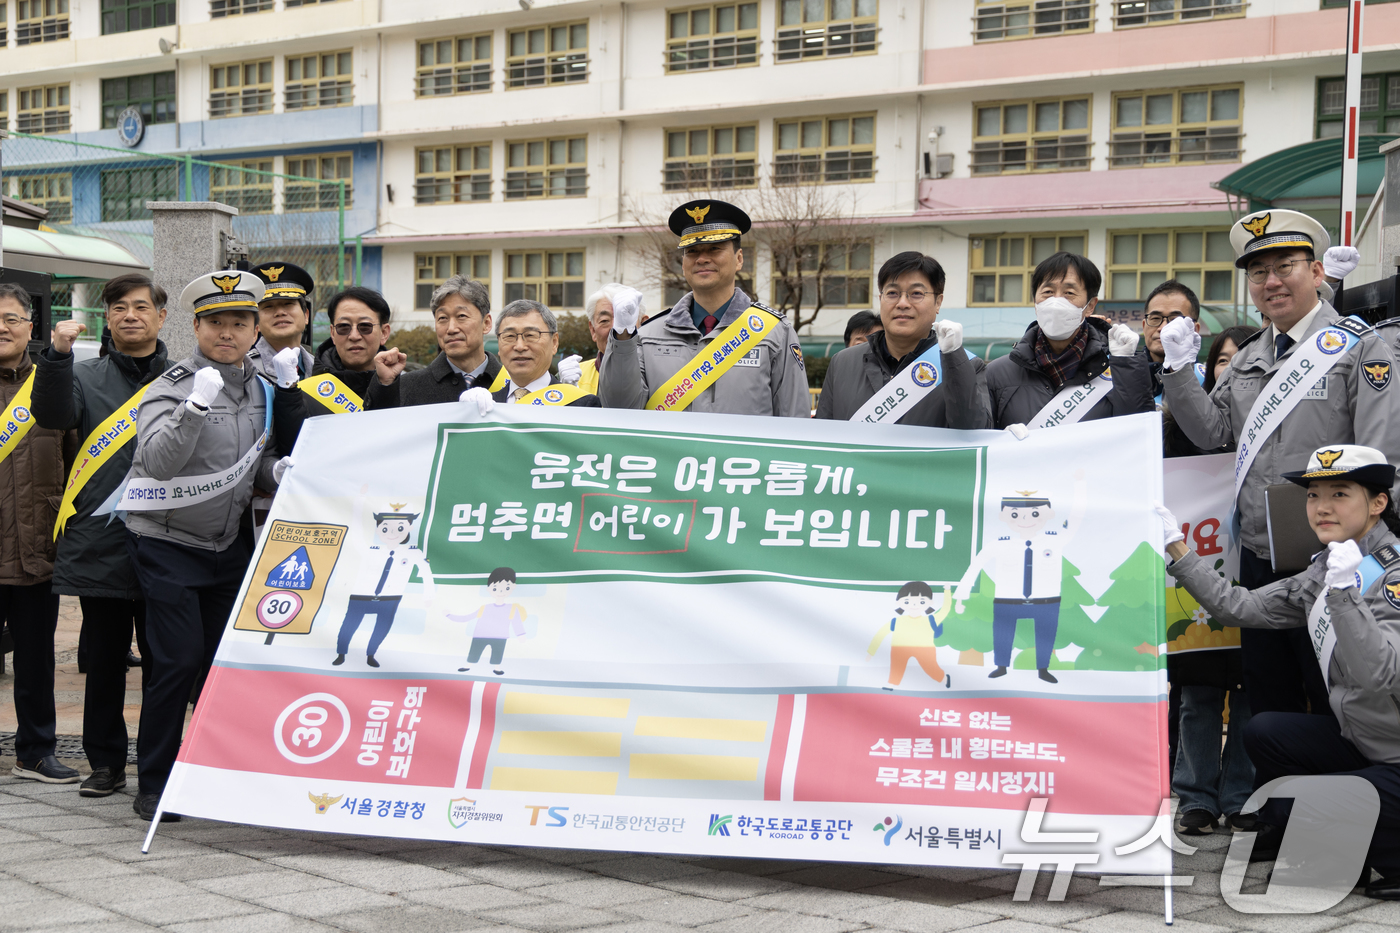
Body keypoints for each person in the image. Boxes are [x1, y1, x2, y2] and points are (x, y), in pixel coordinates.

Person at [1159, 209, 1400, 721]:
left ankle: (1342, 798)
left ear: (1316, 273)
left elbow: (1385, 457)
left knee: (1339, 692)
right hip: (1258, 551)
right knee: (1268, 691)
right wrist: (1178, 371)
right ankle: (1276, 800)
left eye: (1285, 266)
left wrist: (1367, 548)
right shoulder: (1247, 358)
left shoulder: (1360, 348)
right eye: (1257, 272)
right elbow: (1212, 432)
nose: (1271, 282)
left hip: (1338, 555)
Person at [1158, 445, 1400, 892]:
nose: (1322, 507)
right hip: (1366, 742)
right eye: (1313, 495)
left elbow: (1378, 674)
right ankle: (1358, 851)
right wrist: (1177, 548)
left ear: (1378, 503)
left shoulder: (1390, 574)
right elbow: (1243, 606)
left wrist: (1345, 594)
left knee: (1302, 803)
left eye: (1340, 494)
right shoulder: (1329, 565)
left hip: (1395, 752)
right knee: (1266, 732)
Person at [121, 271, 298, 821]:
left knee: (225, 665)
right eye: (216, 322)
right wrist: (194, 409)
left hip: (228, 544)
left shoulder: (264, 387)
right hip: (168, 541)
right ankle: (155, 781)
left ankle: (217, 771)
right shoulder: (172, 385)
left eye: (240, 322)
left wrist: (279, 470)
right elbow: (157, 463)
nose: (228, 332)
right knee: (176, 660)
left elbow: (253, 466)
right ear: (196, 326)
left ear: (254, 328)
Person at [32, 274, 170, 796]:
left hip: (171, 539)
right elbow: (51, 415)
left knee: (166, 663)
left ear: (161, 317)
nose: (130, 315)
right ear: (107, 318)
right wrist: (57, 354)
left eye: (141, 307)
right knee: (106, 660)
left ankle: (161, 764)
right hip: (102, 539)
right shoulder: (83, 375)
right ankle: (106, 763)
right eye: (119, 308)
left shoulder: (188, 377)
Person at [599, 199, 809, 417]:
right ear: (682, 263)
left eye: (714, 249)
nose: (702, 259)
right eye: (692, 251)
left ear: (739, 259)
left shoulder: (774, 333)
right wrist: (623, 337)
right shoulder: (648, 335)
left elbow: (795, 421)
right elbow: (619, 410)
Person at [0, 283, 78, 785]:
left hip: (35, 547)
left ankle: (35, 750)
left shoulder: (55, 386)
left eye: (10, 317)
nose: (2, 327)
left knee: (35, 658)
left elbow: (78, 462)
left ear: (31, 326)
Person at [815, 252, 991, 428]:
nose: (902, 303)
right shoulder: (842, 363)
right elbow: (822, 435)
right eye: (892, 293)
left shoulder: (966, 366)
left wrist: (954, 359)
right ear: (880, 299)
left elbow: (975, 431)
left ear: (938, 302)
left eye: (916, 293)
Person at [984, 252, 1151, 431]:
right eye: (1048, 292)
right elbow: (978, 437)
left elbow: (1140, 433)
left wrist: (1126, 366)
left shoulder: (1116, 370)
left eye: (1069, 293)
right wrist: (1001, 441)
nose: (1056, 302)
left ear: (1091, 306)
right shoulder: (997, 373)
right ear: (1035, 302)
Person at [334, 492, 435, 668]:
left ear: (410, 527)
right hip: (361, 596)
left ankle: (371, 654)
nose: (392, 533)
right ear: (378, 528)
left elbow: (426, 572)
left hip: (390, 597)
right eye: (385, 528)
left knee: (382, 628)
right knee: (348, 626)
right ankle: (341, 653)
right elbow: (356, 532)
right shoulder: (371, 550)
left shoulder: (413, 553)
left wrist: (428, 595)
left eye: (400, 528)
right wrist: (359, 502)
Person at [369, 275, 502, 408]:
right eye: (443, 318)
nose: (451, 329)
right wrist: (385, 386)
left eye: (461, 316)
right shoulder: (408, 387)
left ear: (486, 323)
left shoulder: (512, 385)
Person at [305, 287, 405, 417]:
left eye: (365, 326)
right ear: (332, 333)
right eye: (343, 326)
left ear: (384, 333)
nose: (354, 336)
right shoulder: (308, 388)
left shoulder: (407, 387)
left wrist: (386, 386)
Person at [483, 300, 601, 409]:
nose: (519, 346)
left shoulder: (582, 405)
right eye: (509, 336)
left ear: (554, 342)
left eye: (530, 335)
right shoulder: (486, 405)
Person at [866, 581, 952, 692]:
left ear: (930, 603)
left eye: (921, 601)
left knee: (931, 669)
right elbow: (880, 634)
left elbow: (945, 609)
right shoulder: (896, 621)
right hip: (899, 648)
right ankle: (891, 684)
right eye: (907, 601)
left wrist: (947, 591)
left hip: (925, 648)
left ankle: (944, 678)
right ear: (899, 603)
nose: (914, 605)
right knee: (897, 667)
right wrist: (871, 652)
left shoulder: (931, 620)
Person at [451, 566, 527, 676]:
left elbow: (517, 622)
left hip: (500, 636)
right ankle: (468, 665)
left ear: (513, 587)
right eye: (495, 588)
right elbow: (467, 617)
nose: (500, 591)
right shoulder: (485, 607)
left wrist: (521, 634)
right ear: (489, 589)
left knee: (497, 653)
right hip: (480, 635)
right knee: (475, 652)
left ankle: (497, 667)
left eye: (506, 588)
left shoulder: (512, 608)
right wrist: (450, 616)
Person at [247, 261, 314, 383]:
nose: (280, 312)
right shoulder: (245, 371)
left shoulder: (322, 371)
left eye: (288, 304)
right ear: (256, 322)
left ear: (306, 315)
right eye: (268, 306)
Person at [1140, 279, 1202, 403]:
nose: (1163, 328)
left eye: (1175, 320)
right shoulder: (1122, 374)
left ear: (1195, 329)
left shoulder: (1208, 381)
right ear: (1144, 326)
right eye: (1155, 318)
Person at [577, 284, 636, 395]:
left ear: (642, 323)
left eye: (624, 319)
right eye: (604, 320)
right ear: (592, 330)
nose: (615, 328)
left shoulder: (656, 376)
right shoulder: (575, 376)